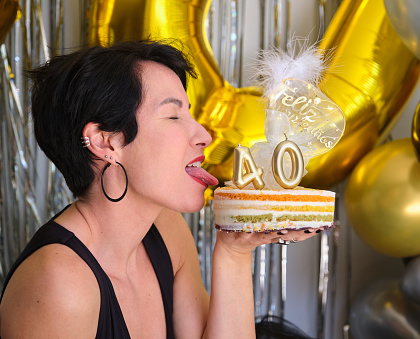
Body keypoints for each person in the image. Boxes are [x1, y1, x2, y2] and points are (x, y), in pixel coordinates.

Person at [0, 40, 322, 338]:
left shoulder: (167, 229)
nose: (204, 135)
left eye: (189, 112)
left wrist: (234, 251)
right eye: (172, 115)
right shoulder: (59, 283)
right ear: (107, 141)